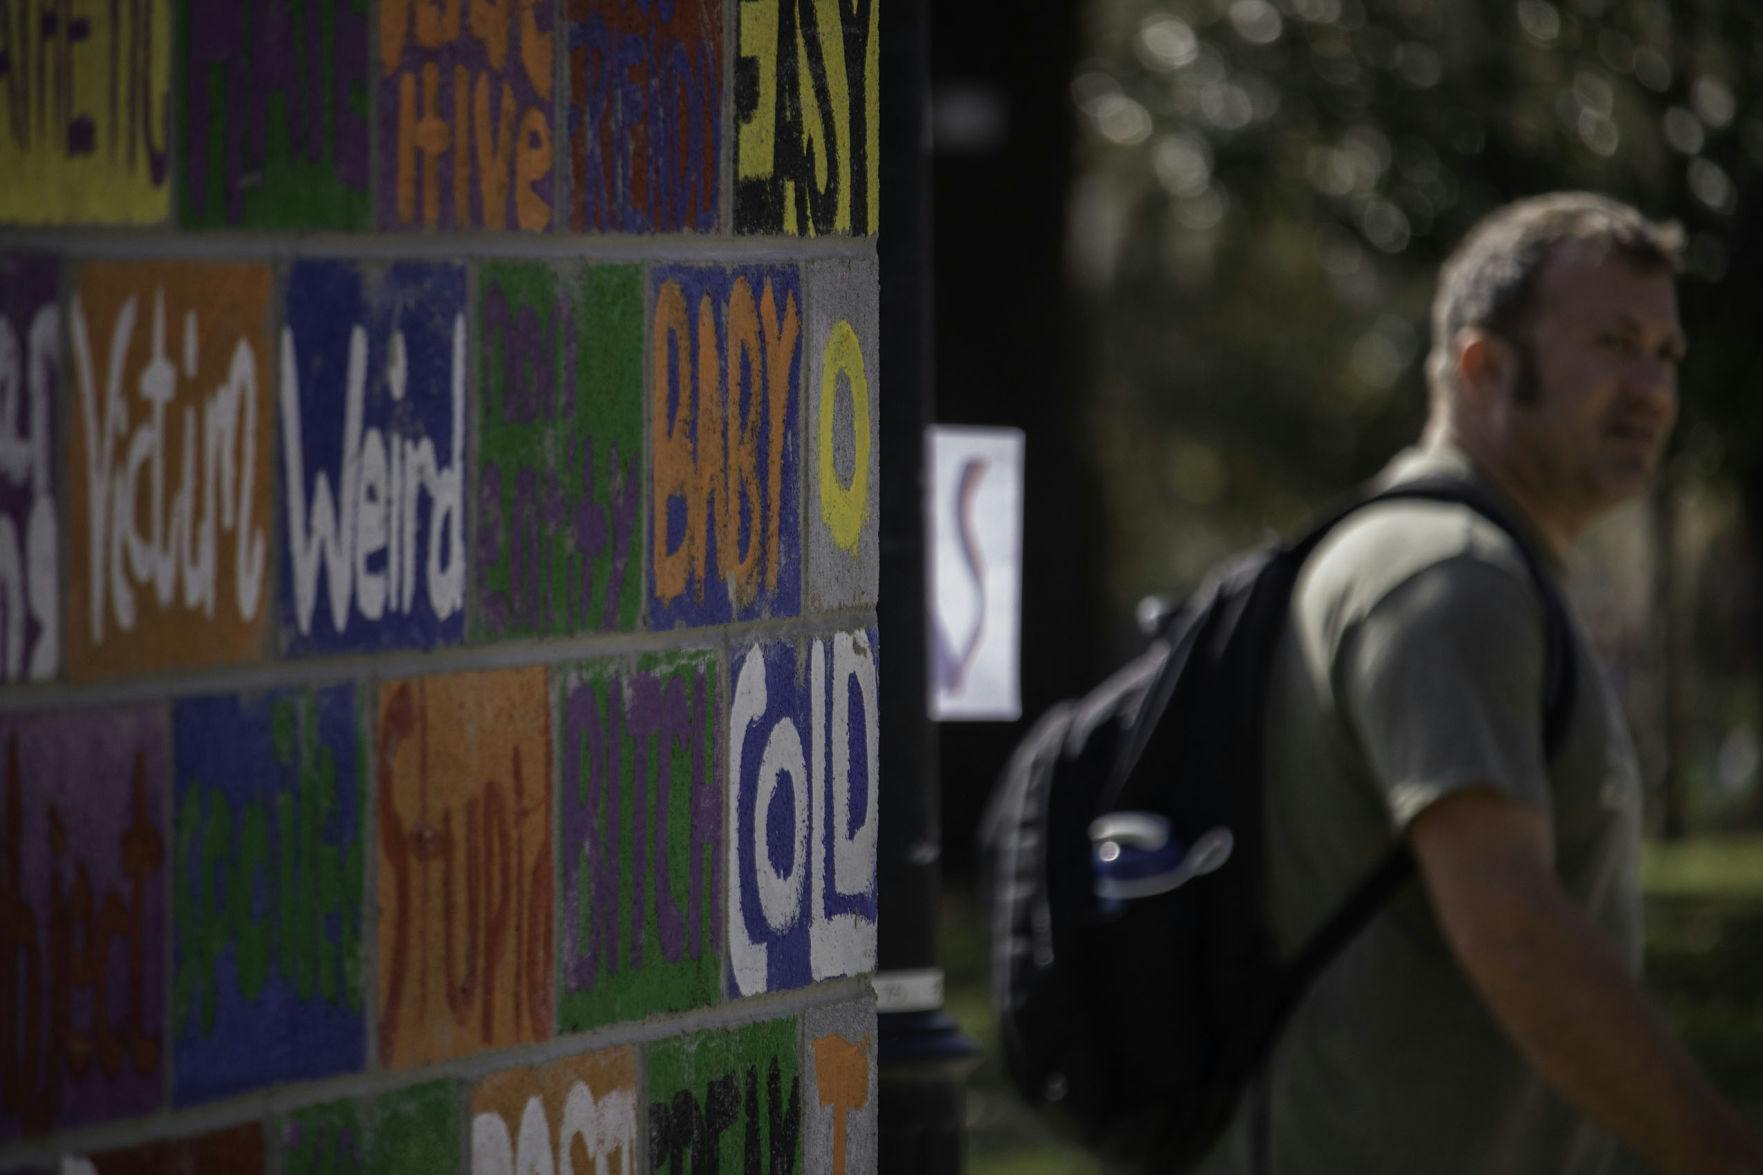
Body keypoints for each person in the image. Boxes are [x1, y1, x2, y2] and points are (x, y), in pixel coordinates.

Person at [1197, 192, 1763, 1174]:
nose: (1650, 387)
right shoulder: (1447, 577)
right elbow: (1511, 925)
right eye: (1612, 341)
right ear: (1481, 364)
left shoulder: (1466, 562)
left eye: (1664, 355)